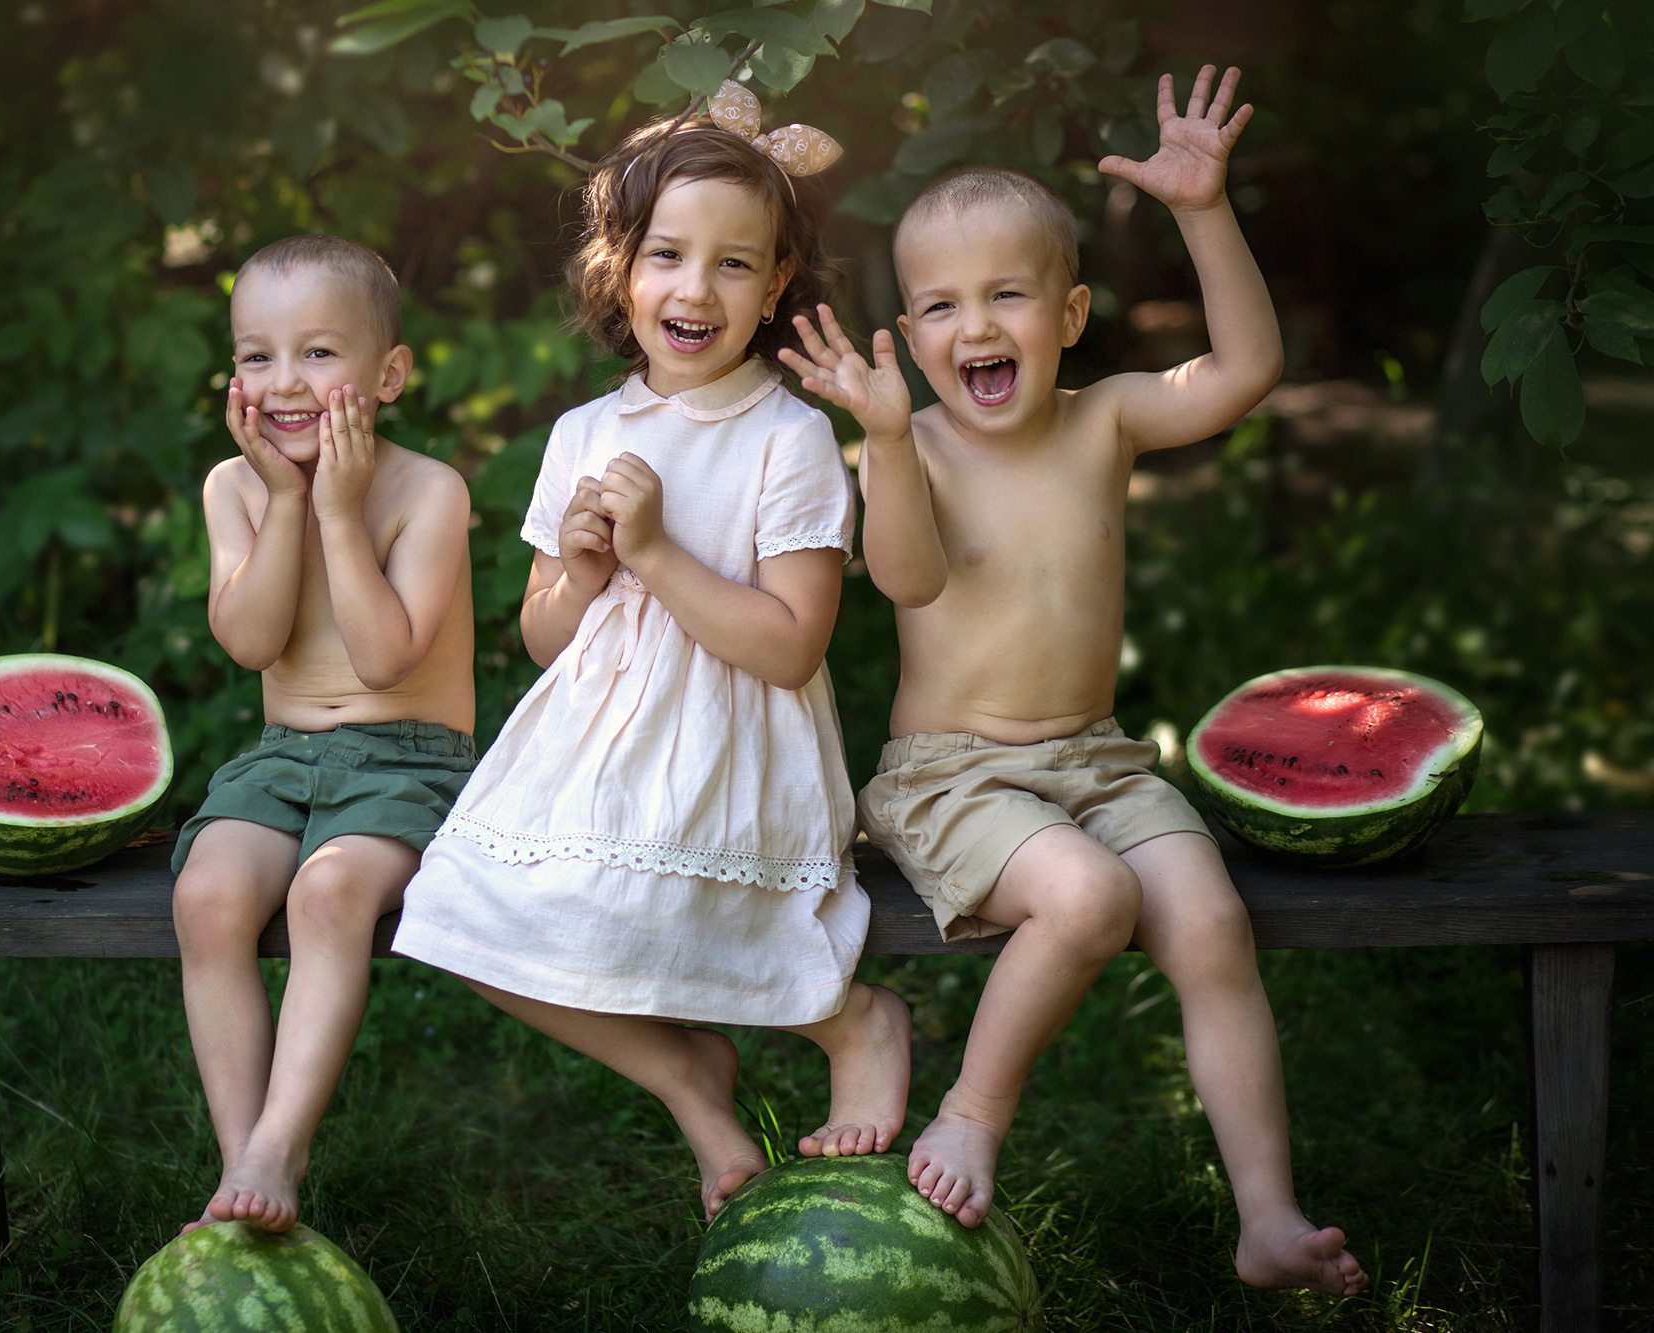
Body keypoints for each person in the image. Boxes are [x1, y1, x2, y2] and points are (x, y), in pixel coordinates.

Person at [780, 67, 1367, 1295]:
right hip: (951, 774)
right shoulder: (912, 441)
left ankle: (1264, 1215)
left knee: (1209, 925)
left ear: (1069, 313)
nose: (972, 325)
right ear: (906, 336)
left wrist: (1200, 209)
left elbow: (1244, 370)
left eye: (1005, 294)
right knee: (1090, 898)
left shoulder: (1104, 420)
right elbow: (908, 582)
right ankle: (972, 1113)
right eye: (938, 305)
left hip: (1095, 757)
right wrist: (885, 441)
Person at [390, 88, 912, 1220]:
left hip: (735, 752)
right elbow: (538, 637)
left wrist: (657, 551)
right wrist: (579, 574)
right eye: (667, 254)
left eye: (734, 264)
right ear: (618, 269)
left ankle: (849, 1018)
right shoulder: (583, 434)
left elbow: (787, 648)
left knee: (678, 901)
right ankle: (686, 1075)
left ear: (775, 285)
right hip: (589, 750)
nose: (695, 288)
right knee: (453, 914)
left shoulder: (790, 436)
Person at [169, 234, 477, 1234]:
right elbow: (250, 639)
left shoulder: (427, 490)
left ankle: (282, 1144)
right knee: (209, 895)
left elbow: (385, 657)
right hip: (281, 759)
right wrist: (291, 502)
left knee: (330, 888)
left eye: (317, 353)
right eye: (256, 356)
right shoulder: (234, 488)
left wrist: (339, 512)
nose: (283, 382)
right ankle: (239, 1157)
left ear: (387, 375)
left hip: (407, 758)